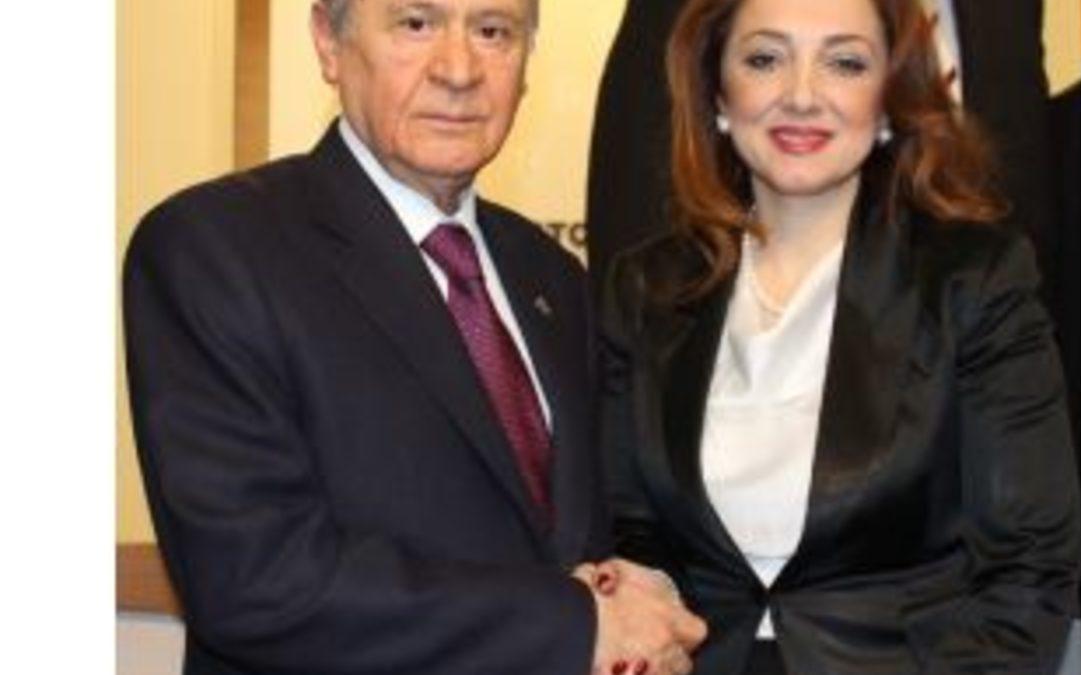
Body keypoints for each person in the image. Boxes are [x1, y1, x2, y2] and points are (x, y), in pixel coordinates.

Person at [123, 1, 704, 673]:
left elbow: (581, 534)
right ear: (329, 41)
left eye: (493, 32)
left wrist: (635, 591)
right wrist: (576, 623)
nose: (458, 70)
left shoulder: (552, 277)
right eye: (415, 24)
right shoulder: (217, 249)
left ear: (526, 64)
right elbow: (257, 578)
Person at [597, 0, 1081, 673]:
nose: (802, 95)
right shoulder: (645, 289)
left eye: (845, 63)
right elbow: (628, 538)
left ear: (889, 99)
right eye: (765, 58)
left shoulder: (974, 280)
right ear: (718, 92)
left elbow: (1029, 568)